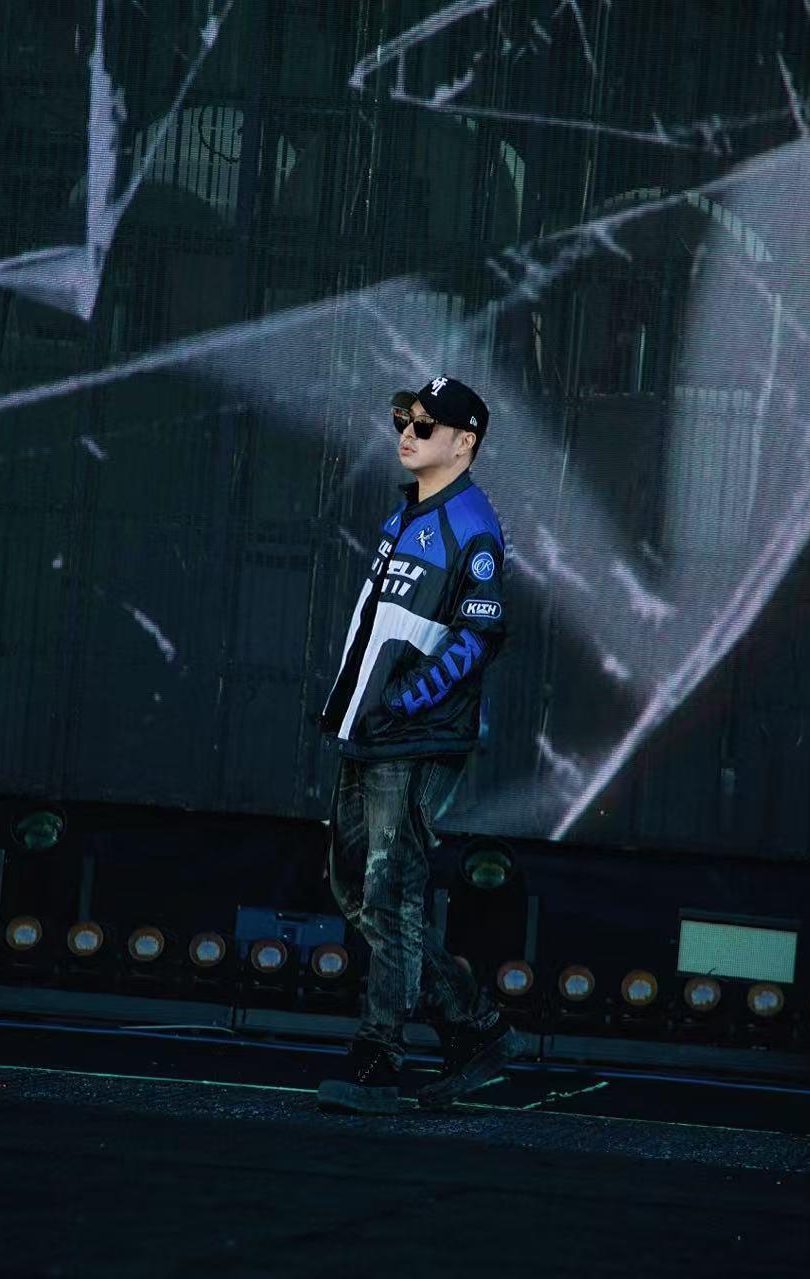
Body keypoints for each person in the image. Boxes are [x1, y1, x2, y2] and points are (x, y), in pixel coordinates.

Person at [314, 376, 523, 1114]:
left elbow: (481, 635)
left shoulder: (471, 525)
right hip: (368, 732)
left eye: (425, 425)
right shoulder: (405, 513)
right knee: (354, 887)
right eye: (404, 419)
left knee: (390, 892)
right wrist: (357, 706)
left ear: (465, 442)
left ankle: (381, 1054)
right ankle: (474, 1027)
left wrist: (403, 701)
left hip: (413, 739)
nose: (407, 432)